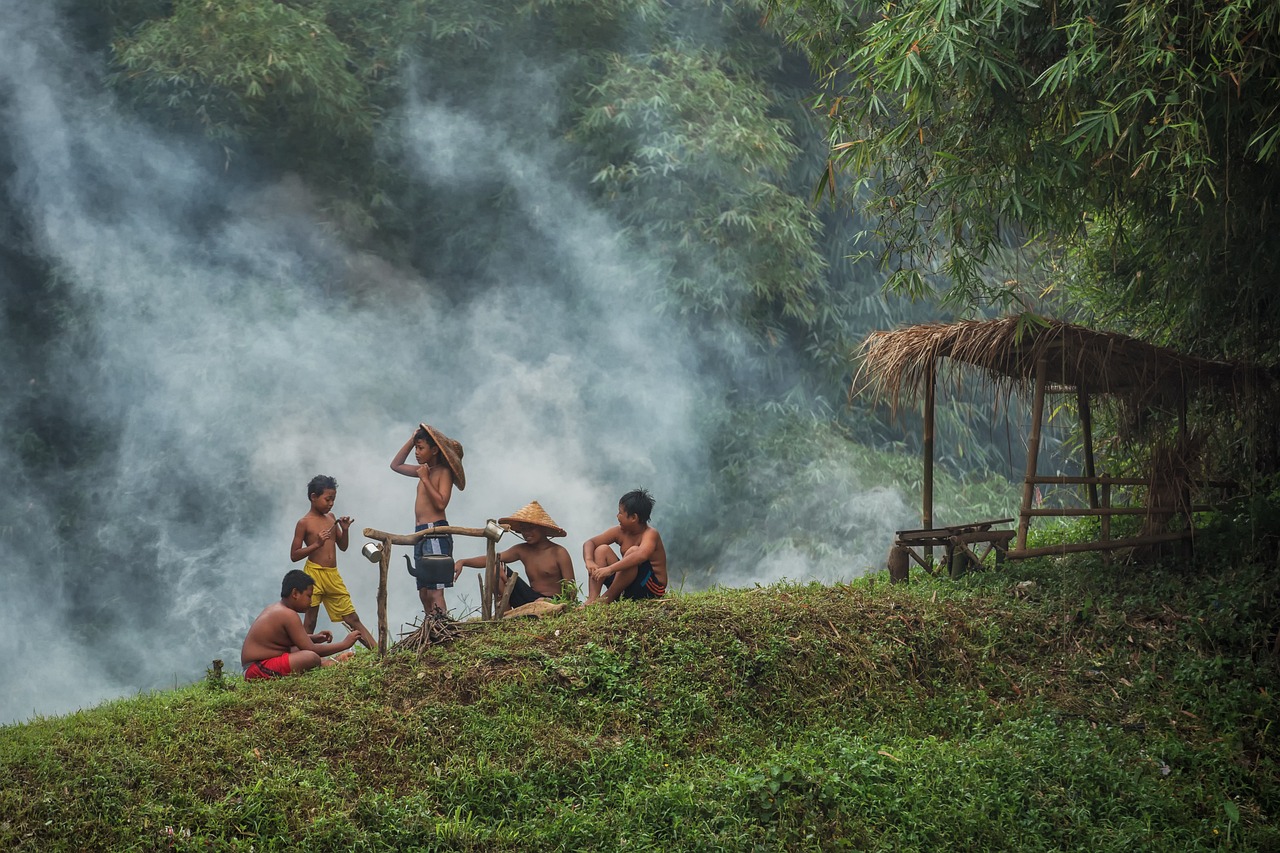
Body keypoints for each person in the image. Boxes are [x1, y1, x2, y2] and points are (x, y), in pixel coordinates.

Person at [289, 474, 377, 650]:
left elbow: (342, 546)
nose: (331, 503)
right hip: (313, 574)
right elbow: (294, 555)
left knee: (352, 618)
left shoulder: (331, 518)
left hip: (332, 575)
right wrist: (316, 544)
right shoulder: (304, 523)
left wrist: (344, 530)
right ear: (313, 497)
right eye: (327, 499)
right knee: (310, 619)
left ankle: (380, 652)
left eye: (333, 499)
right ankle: (304, 658)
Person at [390, 422, 466, 617]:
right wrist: (412, 438)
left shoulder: (442, 472)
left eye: (421, 448)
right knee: (424, 590)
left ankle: (442, 626)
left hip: (435, 532)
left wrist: (424, 478)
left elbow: (441, 503)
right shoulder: (423, 469)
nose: (416, 452)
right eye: (416, 447)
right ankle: (431, 627)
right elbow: (395, 465)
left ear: (434, 450)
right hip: (421, 533)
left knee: (435, 589)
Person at [241, 569, 360, 679]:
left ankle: (329, 662)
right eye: (309, 596)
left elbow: (288, 640)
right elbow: (310, 649)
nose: (311, 601)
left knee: (299, 650)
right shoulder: (288, 614)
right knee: (310, 657)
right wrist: (344, 643)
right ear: (295, 593)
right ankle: (327, 663)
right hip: (256, 669)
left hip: (260, 664)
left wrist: (314, 637)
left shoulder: (279, 608)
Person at [454, 500, 576, 607]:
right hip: (529, 599)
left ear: (543, 529)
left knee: (543, 602)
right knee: (496, 568)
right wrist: (463, 562)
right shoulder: (522, 550)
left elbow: (571, 589)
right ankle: (504, 614)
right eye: (523, 529)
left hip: (554, 601)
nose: (526, 533)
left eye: (530, 528)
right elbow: (492, 558)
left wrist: (556, 603)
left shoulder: (559, 552)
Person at [582, 488, 668, 605]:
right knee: (601, 550)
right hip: (626, 584)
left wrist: (610, 569)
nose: (617, 516)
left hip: (650, 586)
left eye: (620, 513)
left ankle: (607, 598)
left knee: (633, 551)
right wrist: (589, 561)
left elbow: (641, 555)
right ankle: (592, 598)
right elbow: (590, 543)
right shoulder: (619, 531)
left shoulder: (650, 534)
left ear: (633, 518)